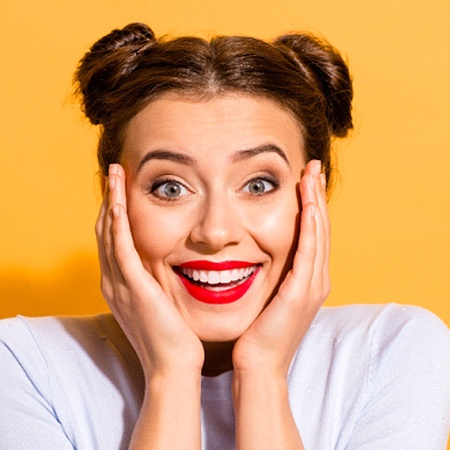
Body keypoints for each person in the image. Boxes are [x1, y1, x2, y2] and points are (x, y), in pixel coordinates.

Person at [0, 22, 448, 450]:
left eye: (258, 185)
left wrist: (262, 375)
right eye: (170, 187)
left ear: (315, 192)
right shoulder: (22, 365)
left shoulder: (394, 352)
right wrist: (170, 375)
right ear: (112, 198)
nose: (215, 232)